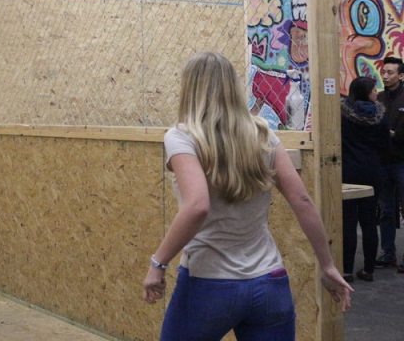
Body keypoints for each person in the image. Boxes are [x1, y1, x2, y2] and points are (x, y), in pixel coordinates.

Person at [142, 52, 352, 341]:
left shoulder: (182, 137)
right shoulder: (263, 133)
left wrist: (158, 263)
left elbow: (197, 206)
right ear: (233, 86)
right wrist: (327, 265)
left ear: (189, 89)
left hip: (208, 284)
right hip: (269, 283)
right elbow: (302, 201)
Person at [341, 76, 387, 282]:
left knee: (348, 222)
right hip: (372, 172)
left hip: (348, 171)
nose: (376, 92)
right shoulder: (380, 116)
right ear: (366, 92)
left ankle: (347, 270)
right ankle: (369, 269)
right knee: (369, 222)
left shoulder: (342, 114)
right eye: (373, 89)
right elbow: (385, 145)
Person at [375, 56, 404, 269]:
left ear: (401, 76)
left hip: (402, 162)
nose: (385, 76)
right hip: (384, 162)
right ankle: (388, 254)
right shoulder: (379, 98)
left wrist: (393, 134)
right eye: (384, 72)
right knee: (385, 210)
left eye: (390, 72)